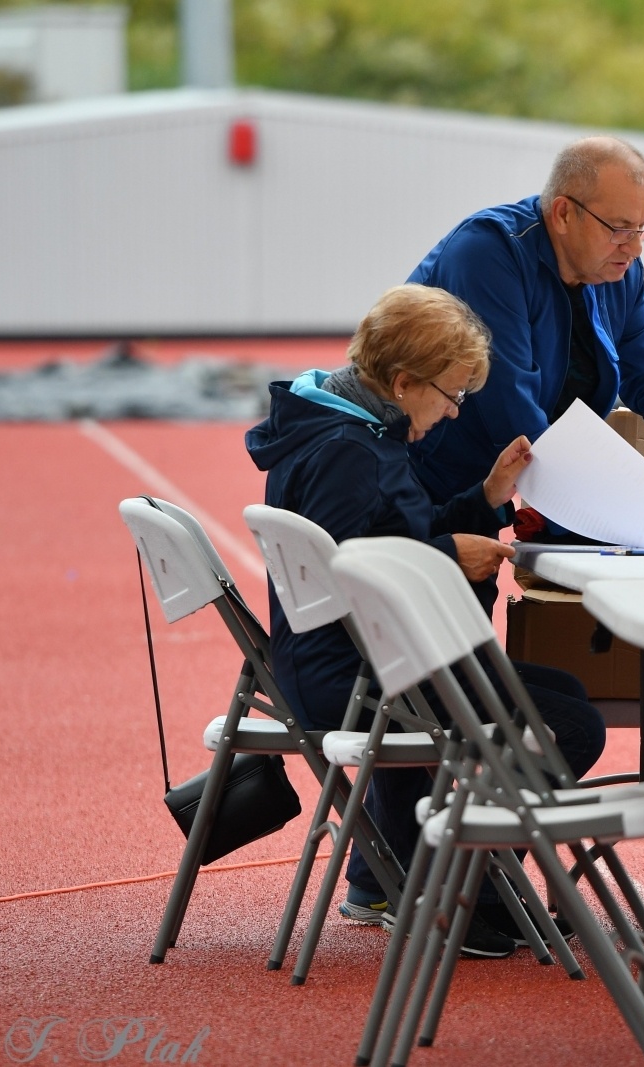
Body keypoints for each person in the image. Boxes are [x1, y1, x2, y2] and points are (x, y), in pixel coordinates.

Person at [245, 283, 607, 958]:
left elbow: (392, 533)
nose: (454, 412)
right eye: (450, 395)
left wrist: (484, 498)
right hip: (356, 672)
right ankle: (462, 894)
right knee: (569, 726)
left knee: (565, 695)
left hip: (355, 660)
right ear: (405, 380)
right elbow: (351, 573)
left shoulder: (349, 425)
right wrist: (447, 555)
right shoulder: (347, 449)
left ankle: (466, 886)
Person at [405, 135, 644, 560]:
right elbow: (510, 411)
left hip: (495, 488)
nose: (635, 248)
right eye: (620, 229)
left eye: (643, 228)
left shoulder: (618, 271)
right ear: (563, 214)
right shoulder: (489, 253)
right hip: (419, 479)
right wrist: (614, 513)